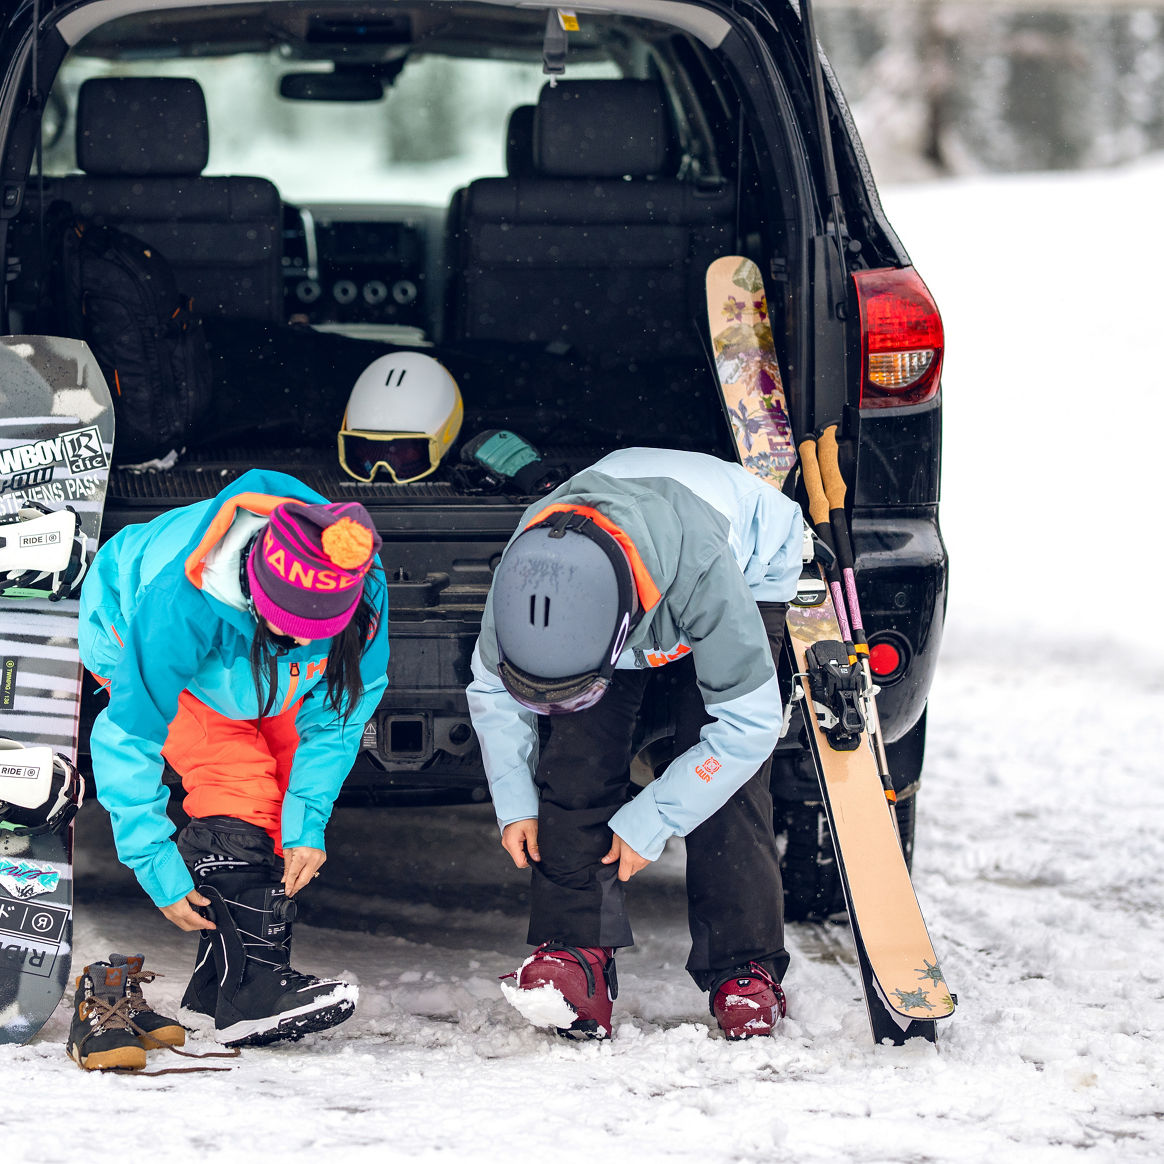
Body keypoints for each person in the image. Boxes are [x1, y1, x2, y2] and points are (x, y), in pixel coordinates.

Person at [467, 447, 803, 1040]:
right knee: (577, 756)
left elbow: (747, 727)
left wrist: (655, 816)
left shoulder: (708, 577)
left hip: (742, 563)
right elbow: (493, 690)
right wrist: (515, 801)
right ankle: (574, 955)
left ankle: (744, 968)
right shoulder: (528, 569)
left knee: (724, 776)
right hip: (623, 560)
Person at [78, 468, 389, 1047]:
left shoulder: (358, 581)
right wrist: (154, 864)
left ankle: (217, 987)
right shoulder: (178, 598)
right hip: (139, 642)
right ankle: (252, 991)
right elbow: (127, 736)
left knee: (285, 796)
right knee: (240, 784)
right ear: (253, 585)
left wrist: (307, 824)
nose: (299, 639)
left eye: (313, 633)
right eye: (286, 625)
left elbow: (340, 713)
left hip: (258, 673)